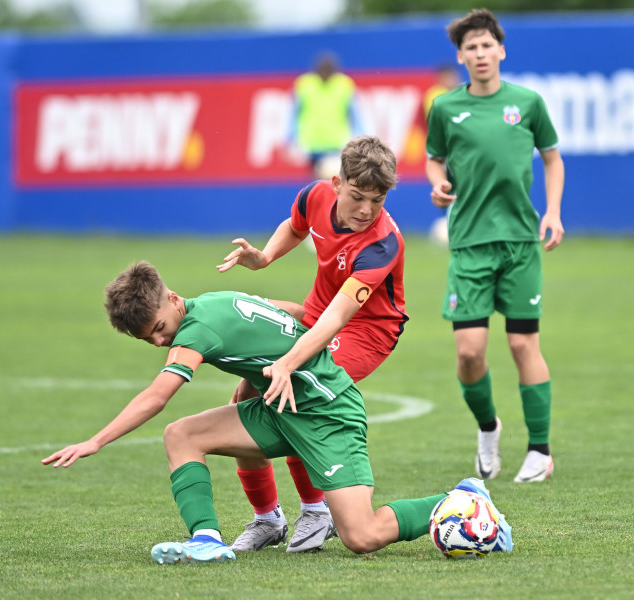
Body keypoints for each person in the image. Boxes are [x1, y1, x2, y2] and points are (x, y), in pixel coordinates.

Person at [41, 261, 513, 564]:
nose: (162, 342)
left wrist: (95, 441)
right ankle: (214, 537)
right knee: (182, 435)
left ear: (172, 299)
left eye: (161, 329)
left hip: (329, 414)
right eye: (151, 340)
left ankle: (464, 499)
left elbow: (157, 395)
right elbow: (283, 309)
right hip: (281, 407)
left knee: (361, 536)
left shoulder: (198, 329)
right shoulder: (217, 302)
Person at [215, 134, 407, 553]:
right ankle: (268, 518)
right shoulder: (314, 195)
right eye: (357, 196)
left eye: (377, 201)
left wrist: (288, 363)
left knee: (298, 391)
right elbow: (297, 225)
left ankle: (317, 511)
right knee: (247, 392)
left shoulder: (382, 244)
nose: (365, 210)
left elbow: (339, 318)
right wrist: (264, 257)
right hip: (318, 314)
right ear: (336, 184)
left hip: (367, 331)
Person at [425, 8, 565, 483]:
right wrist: (438, 184)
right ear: (460, 57)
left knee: (523, 342)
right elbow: (434, 161)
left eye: (488, 45)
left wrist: (552, 211)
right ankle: (489, 428)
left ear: (500, 51)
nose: (480, 53)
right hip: (469, 245)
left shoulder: (528, 103)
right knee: (469, 353)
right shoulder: (445, 108)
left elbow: (552, 158)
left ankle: (540, 451)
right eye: (471, 47)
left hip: (521, 243)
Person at [289, 51, 362, 179]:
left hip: (336, 142)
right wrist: (291, 138)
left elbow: (354, 114)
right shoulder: (305, 84)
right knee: (317, 182)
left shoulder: (344, 85)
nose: (325, 74)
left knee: (334, 180)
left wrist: (359, 136)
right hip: (312, 143)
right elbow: (294, 114)